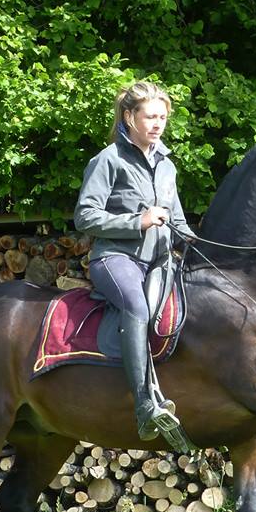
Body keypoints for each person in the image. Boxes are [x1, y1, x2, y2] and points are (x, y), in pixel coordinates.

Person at [74, 81, 197, 440]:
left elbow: (176, 219)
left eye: (162, 117)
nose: (158, 124)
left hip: (160, 261)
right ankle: (144, 405)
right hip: (115, 258)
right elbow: (85, 217)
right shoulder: (107, 160)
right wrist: (136, 222)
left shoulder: (167, 166)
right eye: (150, 116)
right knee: (137, 308)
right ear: (129, 117)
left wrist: (192, 237)